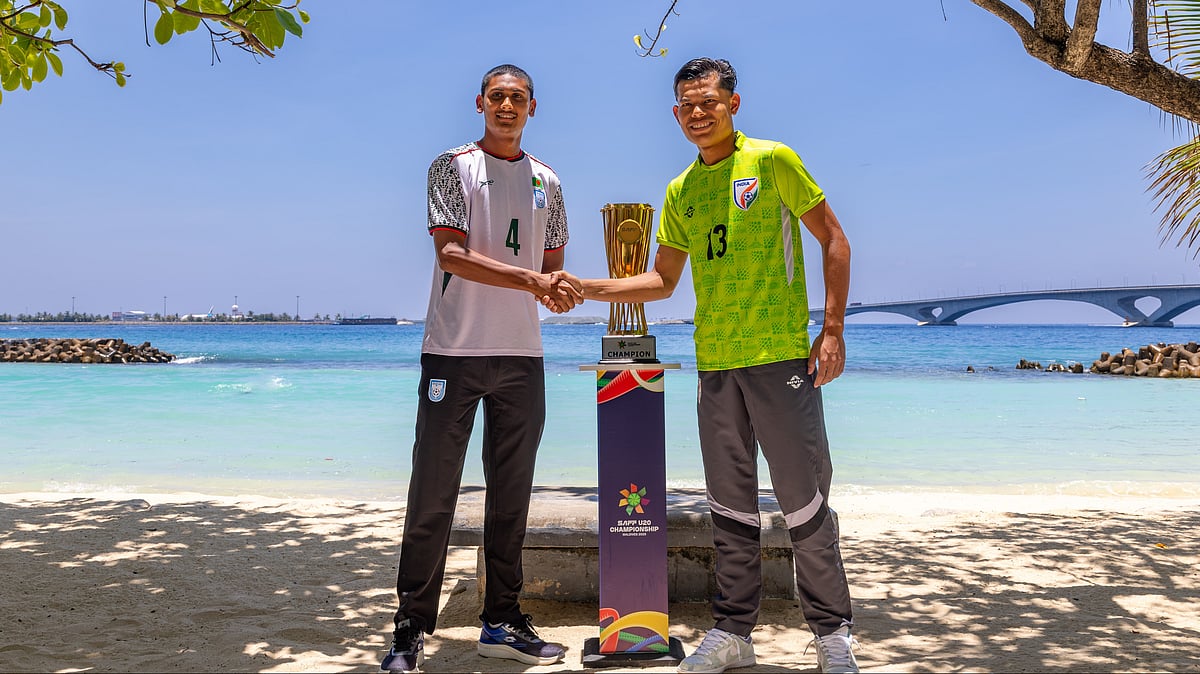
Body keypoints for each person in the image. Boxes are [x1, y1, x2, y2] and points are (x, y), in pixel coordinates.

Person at [550, 57, 858, 674]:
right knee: (730, 504)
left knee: (803, 502)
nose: (698, 114)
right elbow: (662, 280)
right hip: (715, 364)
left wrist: (832, 331)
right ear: (675, 113)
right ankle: (733, 632)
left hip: (779, 357)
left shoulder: (773, 161)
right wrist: (584, 287)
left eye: (709, 103)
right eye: (688, 106)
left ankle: (831, 635)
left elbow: (834, 239)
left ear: (733, 105)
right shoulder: (680, 190)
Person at [380, 63, 580, 673]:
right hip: (454, 353)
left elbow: (552, 265)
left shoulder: (549, 181)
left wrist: (561, 290)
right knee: (433, 497)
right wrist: (529, 278)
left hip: (523, 356)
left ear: (533, 107)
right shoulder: (451, 166)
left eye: (518, 98)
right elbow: (452, 255)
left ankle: (501, 619)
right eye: (498, 97)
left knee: (511, 497)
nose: (507, 106)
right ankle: (411, 627)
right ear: (480, 103)